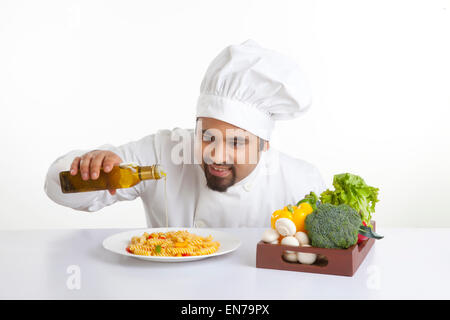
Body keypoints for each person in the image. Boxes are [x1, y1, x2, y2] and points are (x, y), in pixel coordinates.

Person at [44, 40, 326, 228]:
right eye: (207, 135)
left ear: (264, 144)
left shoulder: (301, 182)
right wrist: (89, 166)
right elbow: (59, 190)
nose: (216, 153)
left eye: (237, 142)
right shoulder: (161, 152)